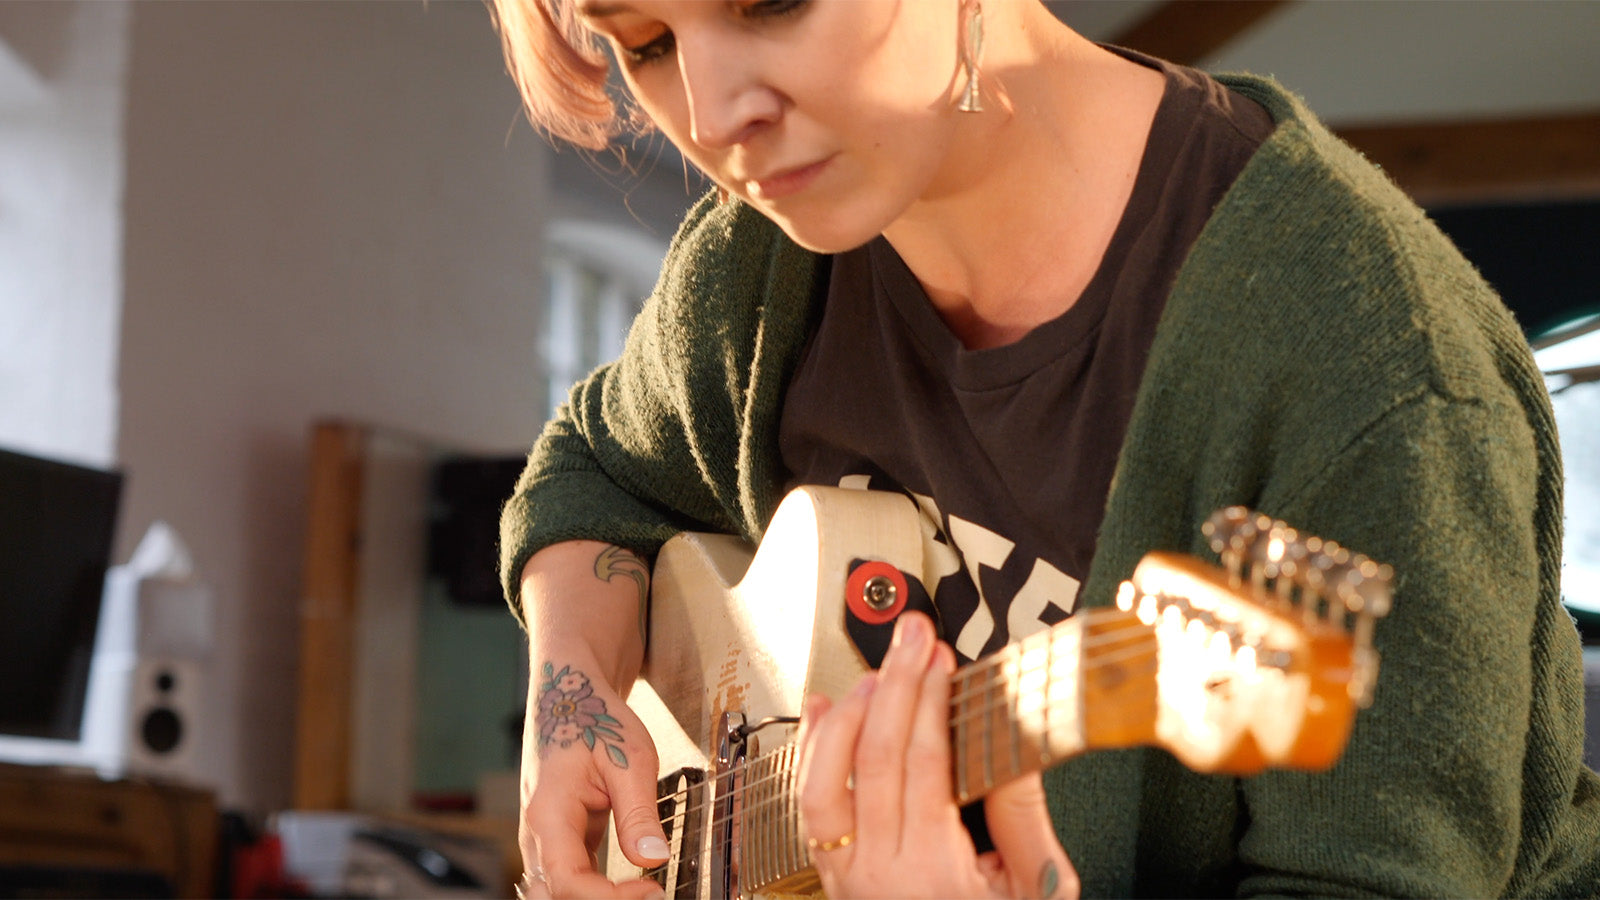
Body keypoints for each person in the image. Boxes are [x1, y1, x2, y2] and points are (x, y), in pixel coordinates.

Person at [488, 0, 1600, 896]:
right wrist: (569, 701)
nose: (716, 110)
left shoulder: (1375, 371)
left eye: (772, 2)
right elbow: (596, 470)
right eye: (647, 42)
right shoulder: (756, 269)